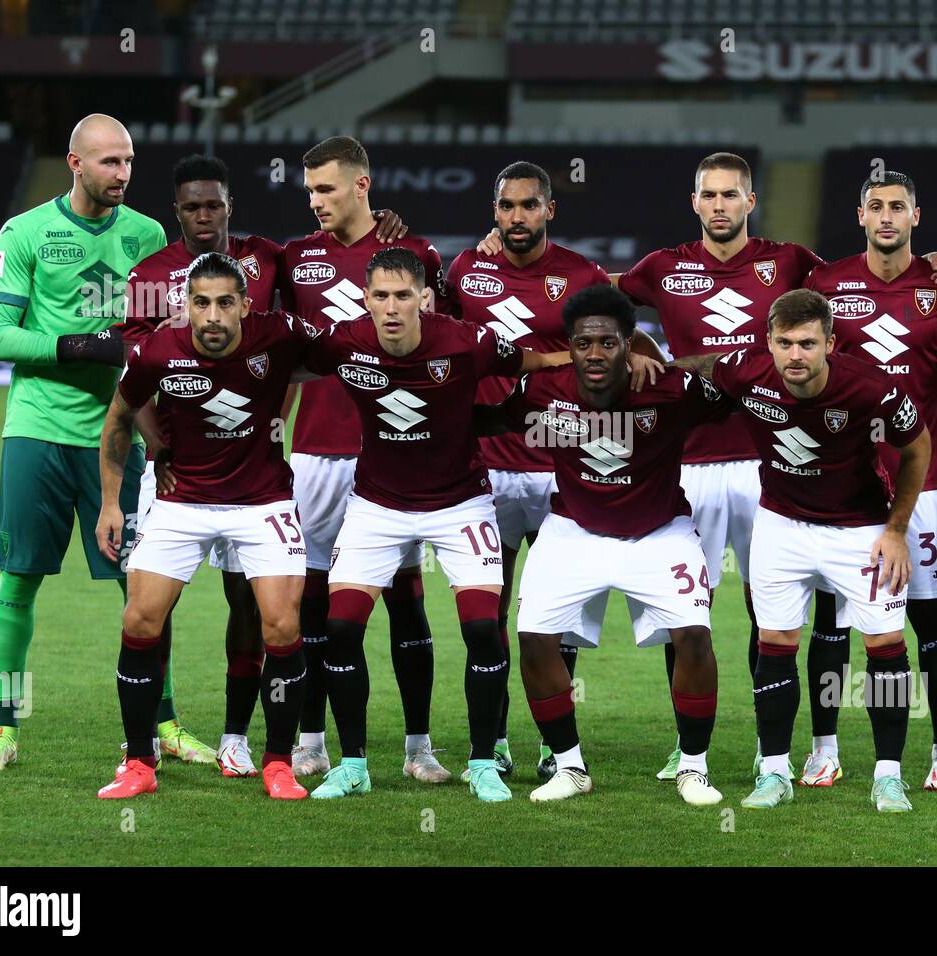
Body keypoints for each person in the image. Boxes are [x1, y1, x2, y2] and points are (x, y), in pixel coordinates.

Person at [299, 247, 571, 802]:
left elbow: (532, 362)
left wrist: (624, 352)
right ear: (366, 299)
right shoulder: (345, 341)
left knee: (481, 629)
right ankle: (352, 765)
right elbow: (279, 356)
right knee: (343, 628)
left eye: (404, 295)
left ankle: (481, 763)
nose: (392, 307)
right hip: (377, 505)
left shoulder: (465, 341)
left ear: (424, 297)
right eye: (381, 296)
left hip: (460, 502)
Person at [675, 289, 932, 813]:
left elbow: (917, 448)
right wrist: (645, 361)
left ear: (830, 343)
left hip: (859, 531)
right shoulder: (748, 374)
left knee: (885, 644)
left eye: (808, 344)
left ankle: (888, 776)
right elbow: (703, 365)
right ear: (766, 343)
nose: (796, 355)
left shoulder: (872, 389)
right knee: (775, 642)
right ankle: (774, 772)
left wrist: (897, 530)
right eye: (785, 343)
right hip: (780, 527)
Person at [445, 160, 659, 781]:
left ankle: (552, 744)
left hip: (561, 462)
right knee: (487, 614)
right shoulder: (465, 271)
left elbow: (626, 342)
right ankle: (492, 741)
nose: (517, 217)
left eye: (529, 206)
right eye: (507, 206)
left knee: (558, 614)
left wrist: (647, 362)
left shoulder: (582, 275)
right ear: (495, 210)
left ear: (549, 210)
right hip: (484, 464)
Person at [477, 283, 729, 806]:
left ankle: (693, 767)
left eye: (609, 344)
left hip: (660, 532)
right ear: (568, 345)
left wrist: (671, 361)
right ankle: (569, 766)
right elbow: (490, 418)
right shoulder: (542, 391)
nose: (595, 354)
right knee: (534, 636)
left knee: (694, 636)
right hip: (574, 530)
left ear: (629, 343)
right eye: (584, 343)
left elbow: (739, 388)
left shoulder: (670, 390)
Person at [0, 113, 166, 773]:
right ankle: (3, 730)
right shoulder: (22, 232)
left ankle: (161, 727)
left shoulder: (147, 234)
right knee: (19, 580)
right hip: (38, 430)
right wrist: (82, 344)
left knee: (141, 587)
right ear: (75, 163)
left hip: (116, 433)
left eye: (130, 161)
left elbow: (157, 333)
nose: (123, 174)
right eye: (109, 162)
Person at [94, 252, 316, 800]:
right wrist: (110, 504)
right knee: (140, 618)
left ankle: (278, 764)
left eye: (224, 303)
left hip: (261, 502)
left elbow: (352, 352)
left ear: (244, 305)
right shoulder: (158, 351)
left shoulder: (280, 335)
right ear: (184, 307)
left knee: (282, 628)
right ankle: (140, 763)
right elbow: (119, 419)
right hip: (182, 500)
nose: (213, 316)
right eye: (201, 303)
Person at [799, 170, 937, 791]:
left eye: (896, 207)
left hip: (922, 487)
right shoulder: (825, 283)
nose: (885, 217)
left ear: (915, 216)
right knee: (833, 623)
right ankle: (824, 750)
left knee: (931, 622)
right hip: (843, 486)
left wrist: (930, 397)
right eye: (875, 206)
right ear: (859, 215)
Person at [280, 136, 448, 782]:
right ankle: (312, 741)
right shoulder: (296, 259)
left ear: (361, 185)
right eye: (310, 191)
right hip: (316, 456)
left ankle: (418, 748)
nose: (316, 202)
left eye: (326, 189)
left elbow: (450, 343)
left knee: (406, 601)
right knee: (316, 606)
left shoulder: (414, 257)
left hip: (394, 452)